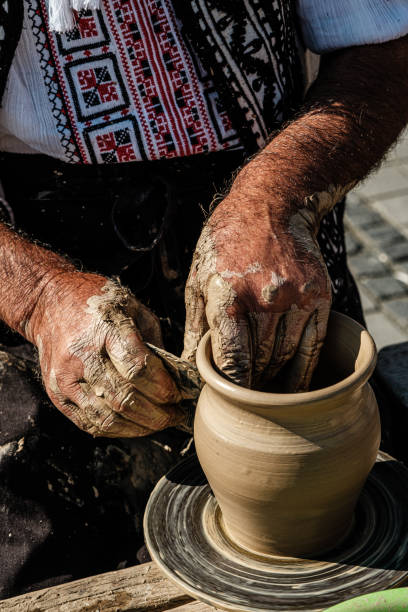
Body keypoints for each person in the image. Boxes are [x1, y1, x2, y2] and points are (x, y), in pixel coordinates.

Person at [0, 0, 408, 599]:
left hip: (278, 229)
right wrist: (36, 297)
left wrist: (278, 196)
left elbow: (387, 46)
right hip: (37, 267)